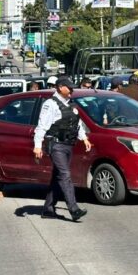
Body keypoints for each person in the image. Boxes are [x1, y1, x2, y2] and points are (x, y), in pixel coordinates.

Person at [33, 76, 92, 221]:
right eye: (69, 87)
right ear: (60, 88)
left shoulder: (71, 104)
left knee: (57, 177)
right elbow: (41, 126)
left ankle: (48, 209)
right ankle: (74, 209)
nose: (72, 90)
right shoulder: (50, 104)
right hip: (56, 145)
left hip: (68, 145)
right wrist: (37, 146)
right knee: (65, 175)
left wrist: (84, 138)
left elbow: (76, 125)